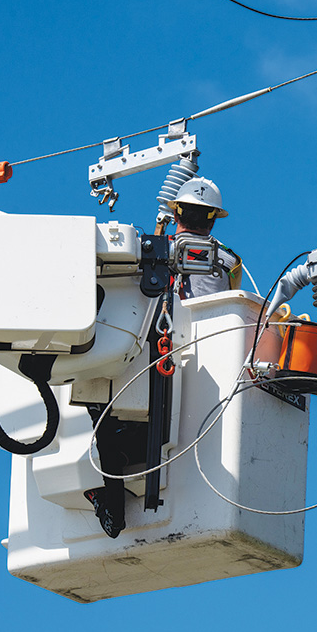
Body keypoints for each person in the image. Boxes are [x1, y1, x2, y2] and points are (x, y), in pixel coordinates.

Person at [84, 175, 241, 538]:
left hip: (159, 350)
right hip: (209, 355)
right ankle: (121, 467)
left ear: (177, 212)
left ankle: (113, 500)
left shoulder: (151, 249)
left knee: (98, 400)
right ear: (214, 218)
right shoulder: (231, 261)